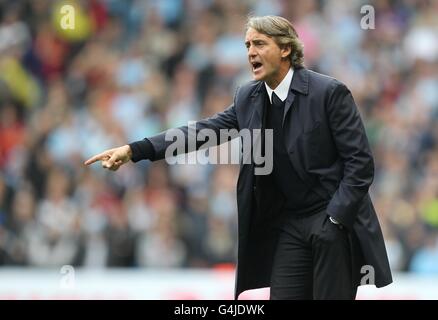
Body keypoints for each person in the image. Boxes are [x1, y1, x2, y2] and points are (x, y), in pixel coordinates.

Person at [85, 15, 392, 300]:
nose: (250, 52)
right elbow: (201, 132)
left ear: (286, 49)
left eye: (259, 43)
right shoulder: (248, 98)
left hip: (332, 223)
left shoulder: (329, 92)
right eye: (247, 45)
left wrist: (335, 219)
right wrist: (134, 150)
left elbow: (360, 165)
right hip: (290, 226)